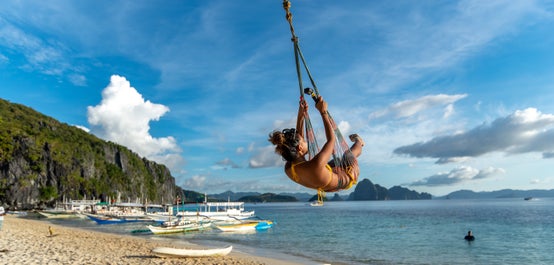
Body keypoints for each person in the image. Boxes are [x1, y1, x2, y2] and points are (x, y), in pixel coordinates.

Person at [269, 96, 364, 192]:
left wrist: (301, 115)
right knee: (348, 155)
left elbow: (297, 143)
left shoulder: (289, 168)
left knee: (337, 160)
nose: (306, 141)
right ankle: (359, 141)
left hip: (326, 184)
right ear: (300, 148)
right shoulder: (316, 164)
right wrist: (323, 112)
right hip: (347, 177)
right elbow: (331, 140)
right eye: (304, 141)